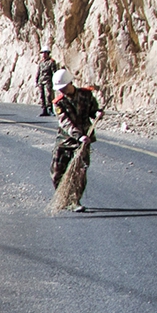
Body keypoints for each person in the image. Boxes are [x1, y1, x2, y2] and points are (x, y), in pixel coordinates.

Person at [50, 69, 102, 209]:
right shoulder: (58, 102)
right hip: (65, 140)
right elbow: (65, 122)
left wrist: (97, 113)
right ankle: (62, 197)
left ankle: (74, 201)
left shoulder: (86, 95)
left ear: (70, 83)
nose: (61, 91)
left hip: (84, 140)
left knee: (79, 171)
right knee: (57, 171)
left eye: (63, 87)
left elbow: (93, 110)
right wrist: (79, 136)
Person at [37, 45, 60, 116]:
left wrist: (55, 81)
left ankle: (50, 109)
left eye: (45, 53)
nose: (43, 54)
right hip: (41, 81)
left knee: (49, 95)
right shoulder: (41, 62)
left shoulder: (51, 62)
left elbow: (54, 72)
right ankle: (44, 110)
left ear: (48, 53)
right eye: (42, 53)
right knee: (42, 96)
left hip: (48, 81)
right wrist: (37, 79)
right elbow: (38, 71)